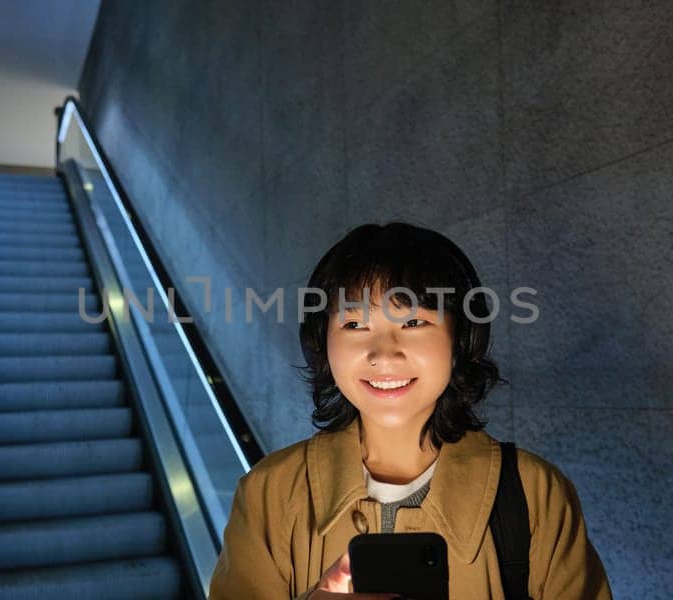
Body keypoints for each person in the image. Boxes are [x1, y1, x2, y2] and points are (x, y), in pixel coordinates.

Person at [209, 222, 612, 599]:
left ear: (460, 339)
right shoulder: (269, 493)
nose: (384, 353)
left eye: (414, 321)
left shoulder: (534, 493)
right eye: (353, 325)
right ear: (323, 343)